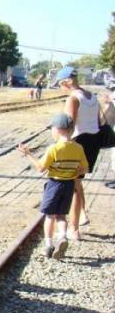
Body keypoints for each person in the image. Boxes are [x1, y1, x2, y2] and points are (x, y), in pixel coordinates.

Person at [17, 113, 88, 259]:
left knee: (50, 216)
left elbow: (40, 168)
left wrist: (28, 154)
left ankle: (48, 245)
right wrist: (72, 172)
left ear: (57, 130)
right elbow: (85, 168)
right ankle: (62, 237)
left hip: (54, 184)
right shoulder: (78, 148)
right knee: (61, 215)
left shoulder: (54, 149)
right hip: (69, 185)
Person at [55, 66, 100, 240]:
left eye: (59, 84)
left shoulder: (73, 99)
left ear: (66, 82)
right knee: (77, 181)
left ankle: (73, 230)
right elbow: (96, 121)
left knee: (72, 186)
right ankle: (82, 214)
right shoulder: (91, 96)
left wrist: (61, 143)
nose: (59, 88)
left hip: (78, 142)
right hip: (92, 143)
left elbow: (68, 124)